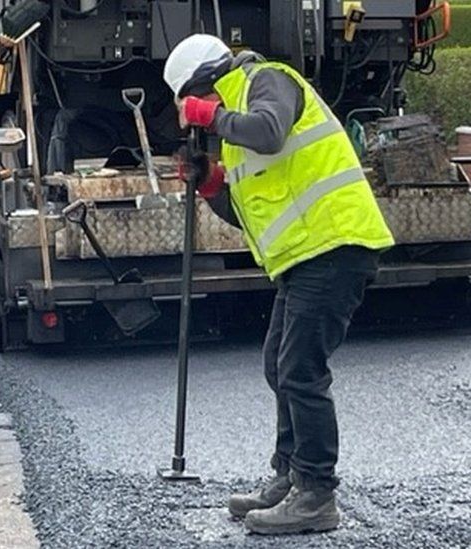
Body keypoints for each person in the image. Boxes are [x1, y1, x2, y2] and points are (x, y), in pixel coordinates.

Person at [163, 34, 395, 535]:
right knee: (279, 364)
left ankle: (315, 494)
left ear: (206, 83)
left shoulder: (267, 81)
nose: (198, 113)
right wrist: (210, 184)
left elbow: (268, 133)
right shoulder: (236, 122)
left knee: (300, 370)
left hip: (336, 243)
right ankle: (289, 478)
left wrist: (208, 115)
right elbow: (246, 211)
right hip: (305, 255)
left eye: (194, 101)